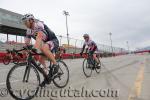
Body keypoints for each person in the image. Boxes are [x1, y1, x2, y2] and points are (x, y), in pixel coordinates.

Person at [22, 14, 59, 86]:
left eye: (26, 22)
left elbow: (39, 36)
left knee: (44, 47)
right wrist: (23, 50)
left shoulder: (38, 24)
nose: (25, 24)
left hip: (53, 40)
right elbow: (26, 43)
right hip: (45, 44)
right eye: (24, 22)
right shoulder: (28, 31)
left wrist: (34, 48)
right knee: (41, 60)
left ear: (31, 20)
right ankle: (47, 77)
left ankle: (56, 65)